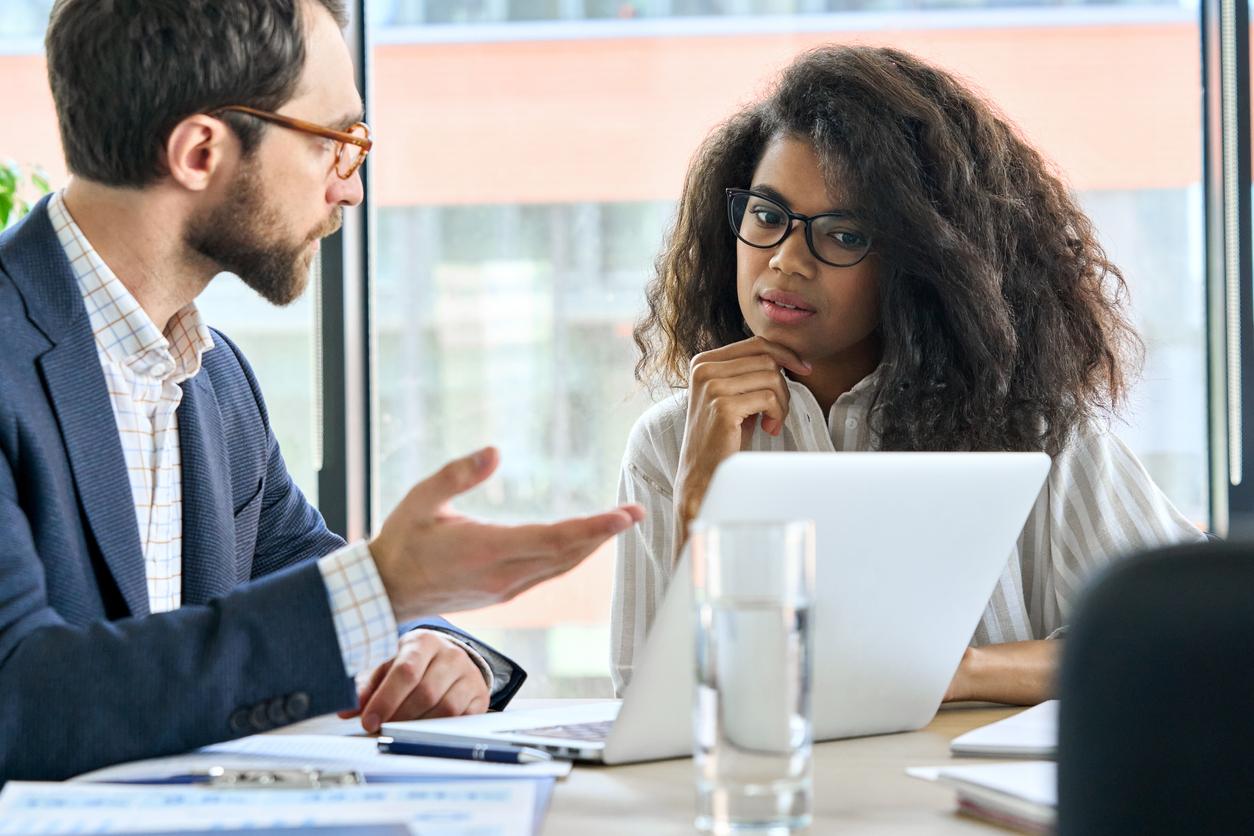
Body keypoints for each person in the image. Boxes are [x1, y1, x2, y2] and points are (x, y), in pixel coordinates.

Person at [0, 0, 643, 782]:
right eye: (334, 143)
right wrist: (382, 586)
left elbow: (308, 580)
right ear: (201, 152)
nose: (352, 190)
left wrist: (438, 647)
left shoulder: (213, 379)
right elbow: (22, 701)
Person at [611, 44, 1203, 705]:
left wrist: (963, 672)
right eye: (768, 216)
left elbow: (1176, 644)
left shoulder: (1037, 430)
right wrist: (702, 498)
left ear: (921, 262)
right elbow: (648, 711)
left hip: (969, 805)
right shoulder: (671, 443)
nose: (785, 260)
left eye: (841, 234)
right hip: (773, 804)